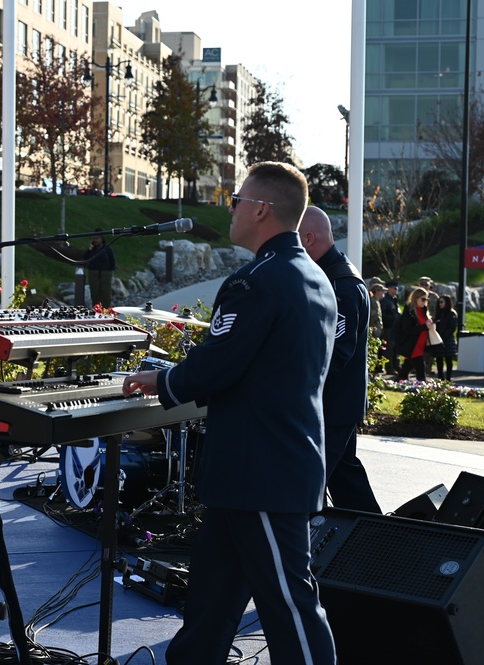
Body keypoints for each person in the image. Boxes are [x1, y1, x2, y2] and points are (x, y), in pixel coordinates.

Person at [122, 162, 337, 665]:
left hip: (258, 472)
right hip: (268, 467)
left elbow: (216, 368)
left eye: (236, 200)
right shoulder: (315, 277)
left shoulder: (255, 281)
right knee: (211, 603)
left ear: (261, 209)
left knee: (290, 606)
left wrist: (163, 379)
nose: (232, 208)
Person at [300, 206, 381, 514]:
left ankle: (310, 548)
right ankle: (379, 543)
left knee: (310, 481)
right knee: (346, 479)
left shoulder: (342, 284)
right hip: (335, 402)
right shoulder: (331, 276)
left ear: (308, 239)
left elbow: (336, 351)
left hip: (333, 404)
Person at [395, 287, 436, 381]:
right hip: (412, 345)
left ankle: (398, 382)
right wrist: (425, 326)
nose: (425, 301)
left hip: (420, 345)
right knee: (420, 367)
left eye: (426, 299)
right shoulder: (409, 312)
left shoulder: (424, 311)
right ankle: (422, 389)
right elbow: (408, 329)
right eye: (423, 299)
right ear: (415, 298)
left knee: (406, 369)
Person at [83, 230, 116, 308]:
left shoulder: (107, 248)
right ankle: (96, 310)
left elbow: (112, 259)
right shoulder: (92, 249)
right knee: (95, 293)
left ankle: (106, 310)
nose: (95, 240)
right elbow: (85, 257)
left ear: (101, 239)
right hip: (93, 272)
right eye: (94, 238)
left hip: (105, 273)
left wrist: (112, 270)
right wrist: (90, 248)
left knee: (105, 293)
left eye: (97, 238)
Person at [433, 294, 459, 380]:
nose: (440, 304)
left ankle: (448, 377)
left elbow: (452, 327)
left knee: (448, 359)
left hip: (448, 339)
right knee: (439, 359)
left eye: (441, 302)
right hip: (439, 338)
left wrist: (444, 336)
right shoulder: (439, 313)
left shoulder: (452, 313)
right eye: (439, 302)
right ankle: (440, 377)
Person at [380, 280, 401, 374]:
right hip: (388, 327)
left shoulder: (394, 299)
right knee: (389, 349)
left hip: (395, 328)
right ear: (389, 288)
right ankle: (390, 368)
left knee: (396, 349)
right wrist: (392, 318)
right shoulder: (385, 300)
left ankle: (396, 366)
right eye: (394, 288)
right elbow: (383, 314)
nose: (396, 290)